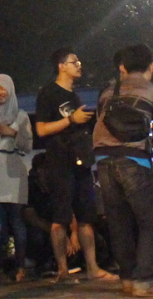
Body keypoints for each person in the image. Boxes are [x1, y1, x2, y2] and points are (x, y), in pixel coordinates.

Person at [93, 43, 153, 296]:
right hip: (135, 162)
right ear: (151, 66)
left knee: (119, 223)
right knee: (151, 222)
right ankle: (144, 281)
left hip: (103, 161)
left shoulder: (107, 93)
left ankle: (127, 278)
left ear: (123, 67)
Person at [34, 48, 114, 284]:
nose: (79, 65)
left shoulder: (75, 95)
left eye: (79, 61)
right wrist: (70, 119)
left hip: (80, 161)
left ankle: (92, 267)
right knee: (60, 217)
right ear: (61, 66)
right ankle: (63, 270)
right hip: (59, 162)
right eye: (74, 62)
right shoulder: (49, 93)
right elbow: (41, 129)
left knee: (86, 215)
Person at [0, 74, 34, 282]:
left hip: (14, 173)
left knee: (18, 224)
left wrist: (10, 132)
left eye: (4, 89)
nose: (0, 93)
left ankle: (20, 268)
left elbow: (27, 145)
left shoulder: (21, 116)